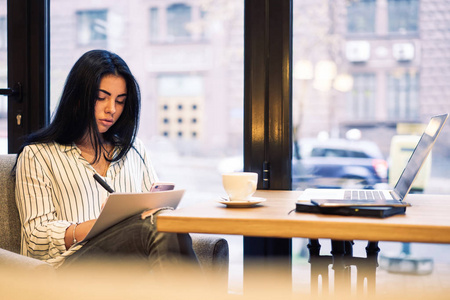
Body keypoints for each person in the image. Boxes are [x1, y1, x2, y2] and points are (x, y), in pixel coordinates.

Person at [14, 49, 198, 270]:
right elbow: (35, 239)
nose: (111, 109)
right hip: (70, 267)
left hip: (130, 263)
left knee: (165, 223)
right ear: (78, 98)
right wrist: (100, 227)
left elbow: (154, 209)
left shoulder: (134, 150)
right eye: (101, 98)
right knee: (155, 226)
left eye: (120, 101)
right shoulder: (38, 155)